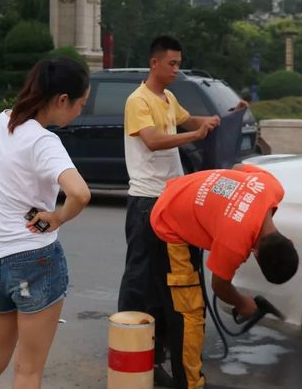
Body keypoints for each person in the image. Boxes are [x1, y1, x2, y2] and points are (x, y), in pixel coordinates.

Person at [0, 58, 91, 389]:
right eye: (80, 104)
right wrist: (59, 217)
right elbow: (80, 193)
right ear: (62, 99)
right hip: (36, 260)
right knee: (28, 371)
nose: (80, 112)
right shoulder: (43, 141)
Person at [116, 35, 222, 386]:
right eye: (172, 64)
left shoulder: (168, 97)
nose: (177, 69)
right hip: (147, 202)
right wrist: (195, 136)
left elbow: (189, 120)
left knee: (167, 283)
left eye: (180, 63)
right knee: (139, 279)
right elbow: (152, 140)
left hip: (172, 202)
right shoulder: (139, 100)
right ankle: (127, 347)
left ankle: (157, 353)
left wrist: (216, 120)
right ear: (155, 64)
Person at [149, 164, 299, 389]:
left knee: (171, 301)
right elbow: (219, 286)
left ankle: (155, 356)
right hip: (168, 222)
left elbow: (239, 167)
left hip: (180, 190)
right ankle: (190, 384)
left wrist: (217, 207)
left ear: (290, 240)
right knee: (189, 311)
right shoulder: (234, 242)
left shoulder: (273, 187)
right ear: (256, 254)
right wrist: (243, 303)